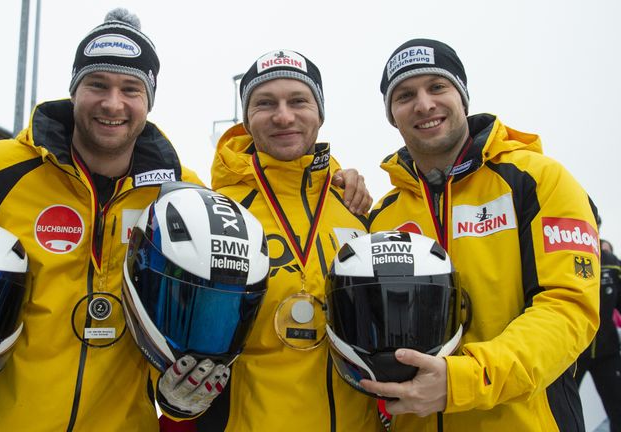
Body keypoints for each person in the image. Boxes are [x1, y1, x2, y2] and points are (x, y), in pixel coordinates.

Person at [0, 10, 370, 432]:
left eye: (131, 89)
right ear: (75, 90)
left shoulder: (181, 194)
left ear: (149, 100)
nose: (113, 104)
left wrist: (181, 396)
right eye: (97, 85)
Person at [363, 38, 599, 431]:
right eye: (405, 95)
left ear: (463, 96)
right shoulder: (383, 215)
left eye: (437, 87)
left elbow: (568, 309)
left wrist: (464, 380)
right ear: (392, 115)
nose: (424, 104)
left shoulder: (536, 179)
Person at [184, 49, 380, 432]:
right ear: (246, 119)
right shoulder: (217, 213)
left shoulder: (354, 208)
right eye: (265, 103)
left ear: (320, 114)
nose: (283, 116)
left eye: (298, 101)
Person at [576, 237, 621, 431]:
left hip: (607, 351)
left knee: (617, 406)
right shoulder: (567, 254)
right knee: (560, 408)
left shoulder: (612, 263)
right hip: (573, 352)